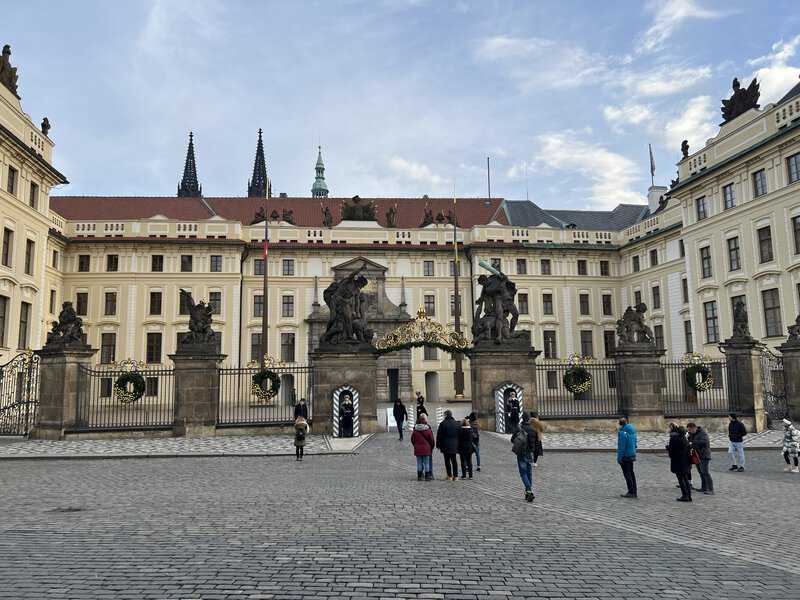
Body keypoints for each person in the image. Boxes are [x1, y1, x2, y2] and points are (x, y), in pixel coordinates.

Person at [511, 412, 538, 502]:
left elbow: (512, 439)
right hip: (529, 453)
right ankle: (528, 493)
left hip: (521, 454)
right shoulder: (533, 428)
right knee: (529, 473)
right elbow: (536, 443)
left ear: (522, 418)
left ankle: (529, 491)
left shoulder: (519, 428)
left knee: (523, 474)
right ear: (529, 418)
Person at [668, 423, 692, 502]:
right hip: (685, 461)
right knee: (685, 478)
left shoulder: (674, 438)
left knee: (681, 480)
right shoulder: (684, 438)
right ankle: (688, 495)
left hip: (678, 462)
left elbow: (672, 452)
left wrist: (668, 449)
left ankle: (685, 495)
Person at [687, 422, 713, 494]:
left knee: (705, 472)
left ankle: (711, 489)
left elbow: (704, 442)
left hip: (704, 455)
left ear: (694, 428)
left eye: (690, 430)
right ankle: (704, 488)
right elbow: (690, 441)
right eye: (688, 430)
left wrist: (693, 442)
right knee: (701, 472)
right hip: (697, 455)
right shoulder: (692, 434)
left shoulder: (703, 433)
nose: (689, 431)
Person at [435, 409, 460, 481]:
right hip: (454, 444)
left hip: (445, 445)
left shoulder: (443, 424)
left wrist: (438, 445)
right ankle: (456, 476)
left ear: (445, 415)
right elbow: (460, 434)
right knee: (454, 460)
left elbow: (439, 435)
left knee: (447, 460)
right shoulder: (456, 423)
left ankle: (449, 476)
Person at [617, 417, 637, 499]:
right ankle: (634, 491)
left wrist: (619, 458)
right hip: (632, 454)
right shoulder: (632, 430)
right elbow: (635, 443)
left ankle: (631, 491)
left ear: (620, 424)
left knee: (627, 474)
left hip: (625, 456)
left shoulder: (622, 432)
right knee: (631, 473)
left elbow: (622, 447)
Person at [410, 414, 435, 480]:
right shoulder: (428, 429)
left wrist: (415, 445)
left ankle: (420, 476)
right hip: (426, 449)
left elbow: (412, 439)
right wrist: (431, 447)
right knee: (426, 463)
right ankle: (427, 476)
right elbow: (431, 440)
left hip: (418, 449)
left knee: (419, 463)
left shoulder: (415, 430)